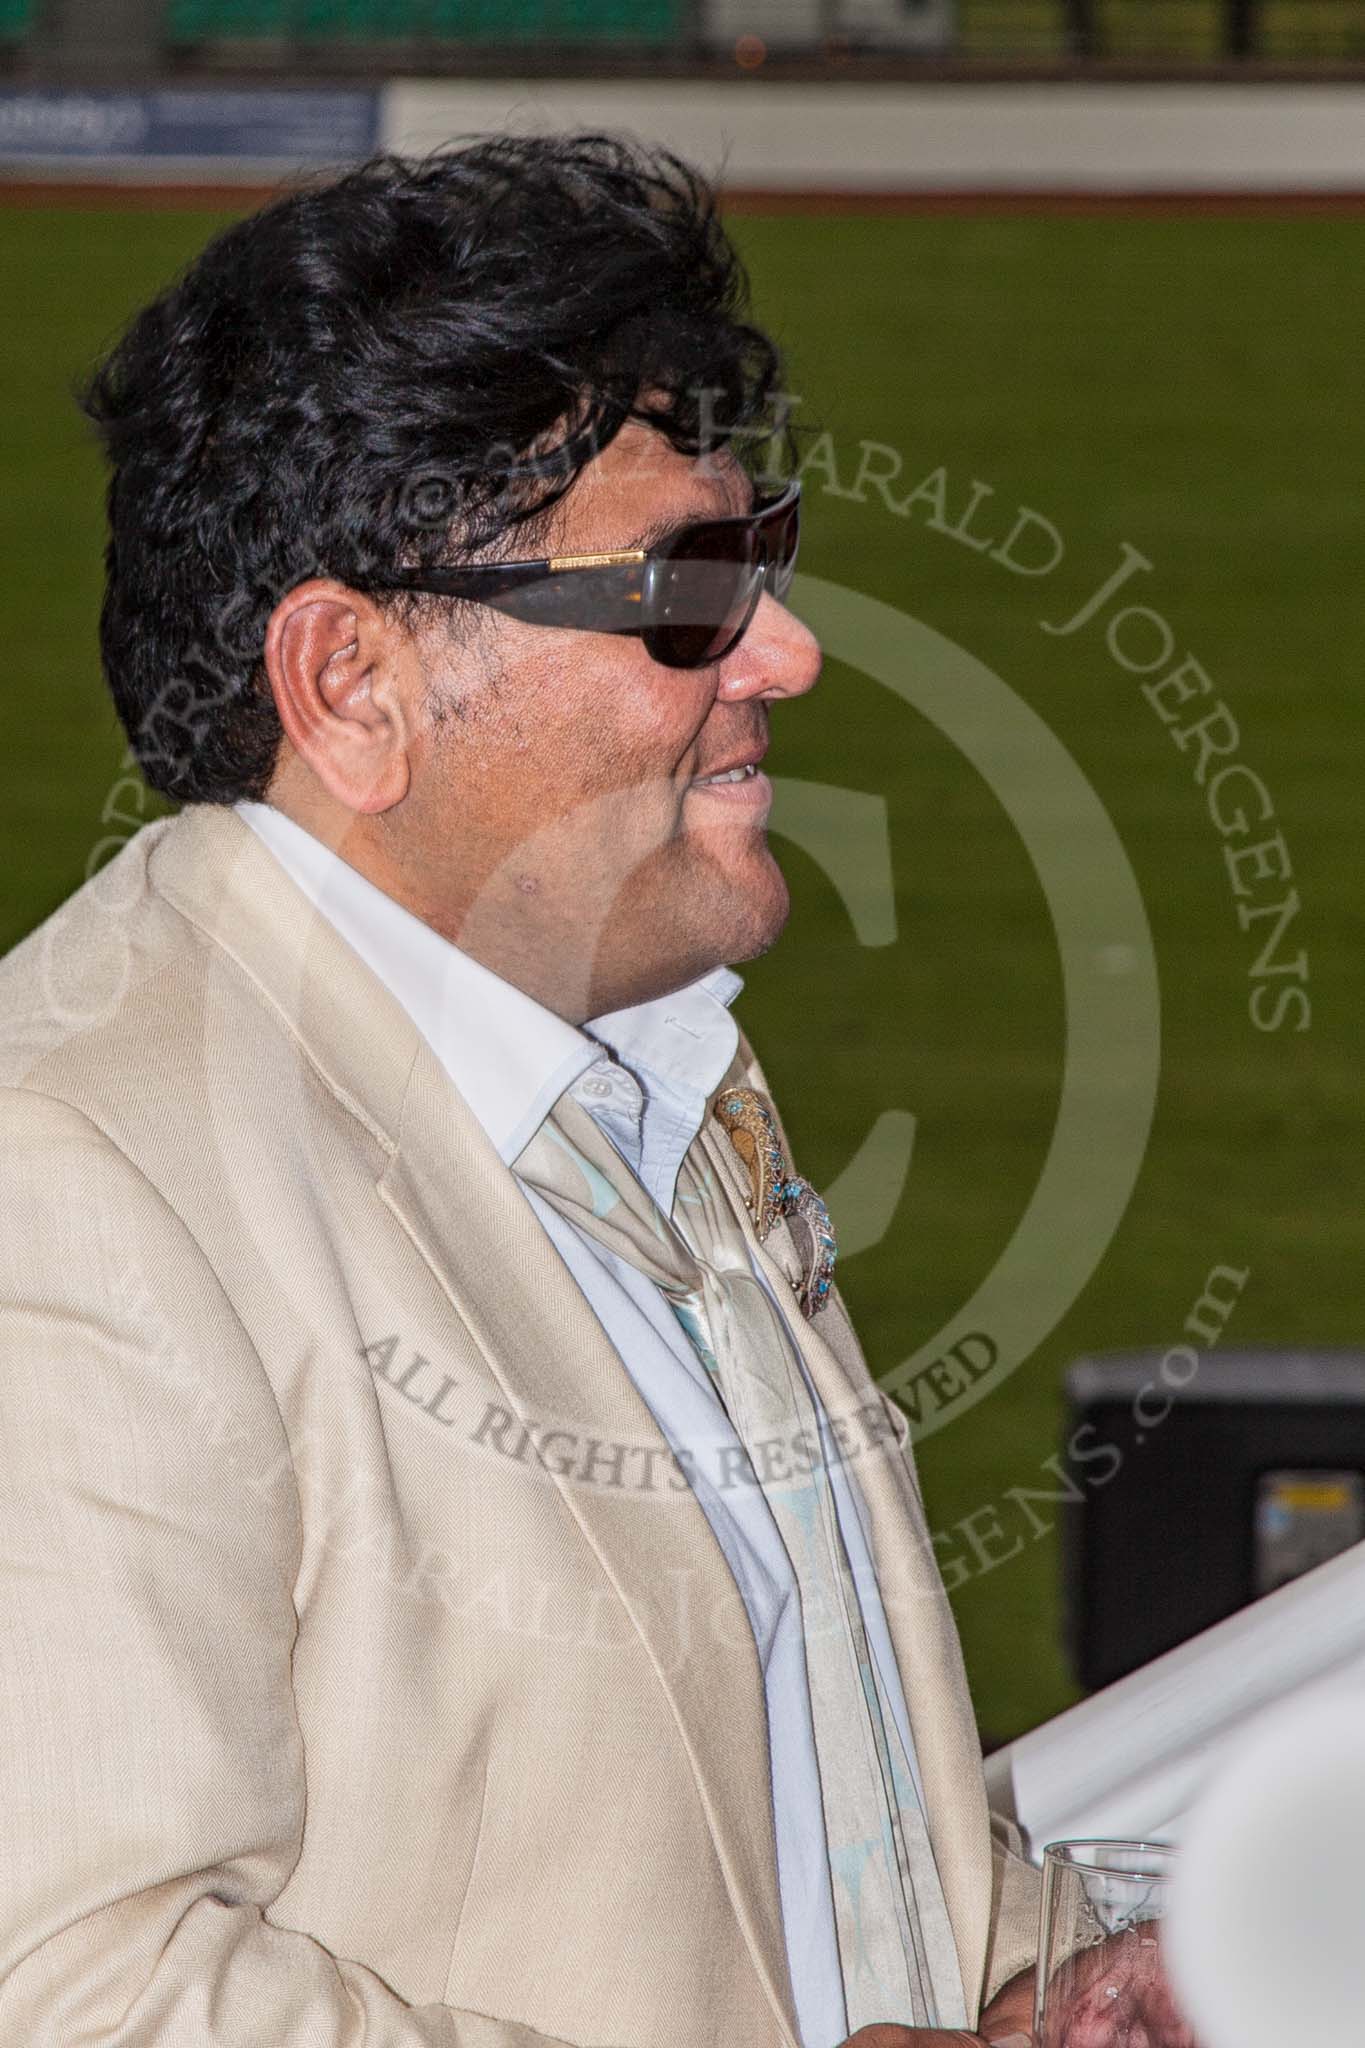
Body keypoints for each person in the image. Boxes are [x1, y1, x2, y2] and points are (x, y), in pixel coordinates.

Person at [0, 135, 1042, 2048]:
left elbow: (794, 1788)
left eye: (760, 552)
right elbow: (73, 1989)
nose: (787, 650)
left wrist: (1060, 1972)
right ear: (352, 683)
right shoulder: (68, 1178)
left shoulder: (636, 1057)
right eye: (688, 586)